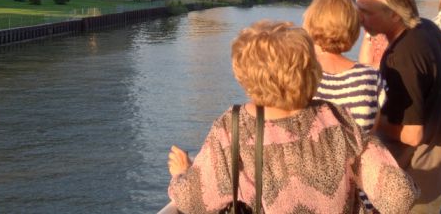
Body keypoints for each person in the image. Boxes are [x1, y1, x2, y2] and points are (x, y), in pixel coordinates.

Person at [167, 20, 418, 214]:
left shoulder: (231, 128)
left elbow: (192, 202)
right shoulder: (338, 119)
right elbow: (399, 196)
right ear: (311, 70)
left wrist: (181, 172)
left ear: (243, 74)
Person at [355, 0, 441, 213]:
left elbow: (412, 135)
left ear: (394, 13)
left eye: (366, 12)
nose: (359, 19)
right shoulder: (428, 28)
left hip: (418, 178)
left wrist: (369, 120)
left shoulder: (402, 56)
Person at [302, 0, 380, 134]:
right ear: (354, 29)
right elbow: (372, 133)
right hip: (360, 148)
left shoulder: (299, 74)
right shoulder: (372, 77)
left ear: (309, 23)